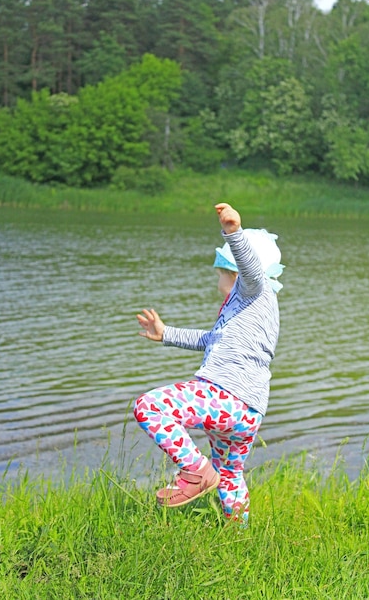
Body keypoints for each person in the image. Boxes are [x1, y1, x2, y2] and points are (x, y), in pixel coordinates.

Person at [133, 202, 284, 523]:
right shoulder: (244, 314)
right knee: (230, 475)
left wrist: (233, 233)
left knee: (149, 406)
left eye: (219, 275)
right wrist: (166, 334)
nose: (217, 284)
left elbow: (252, 272)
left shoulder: (255, 291)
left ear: (234, 273)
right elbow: (208, 340)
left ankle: (196, 471)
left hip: (225, 395)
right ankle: (240, 535)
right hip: (248, 411)